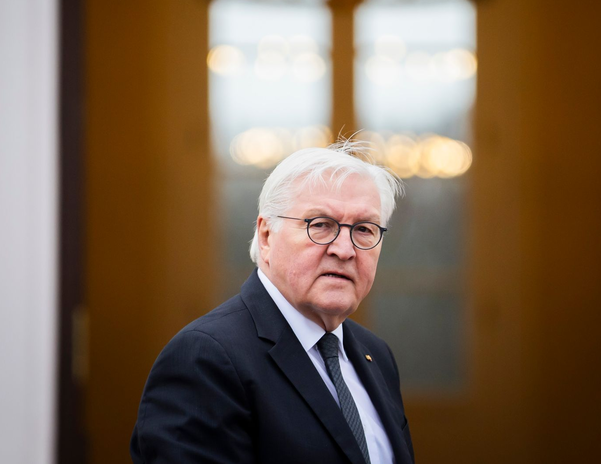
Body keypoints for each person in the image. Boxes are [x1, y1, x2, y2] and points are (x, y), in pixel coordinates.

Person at [130, 141, 414, 464]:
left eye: (364, 229)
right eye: (320, 225)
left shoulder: (376, 355)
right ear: (266, 237)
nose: (345, 250)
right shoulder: (206, 359)